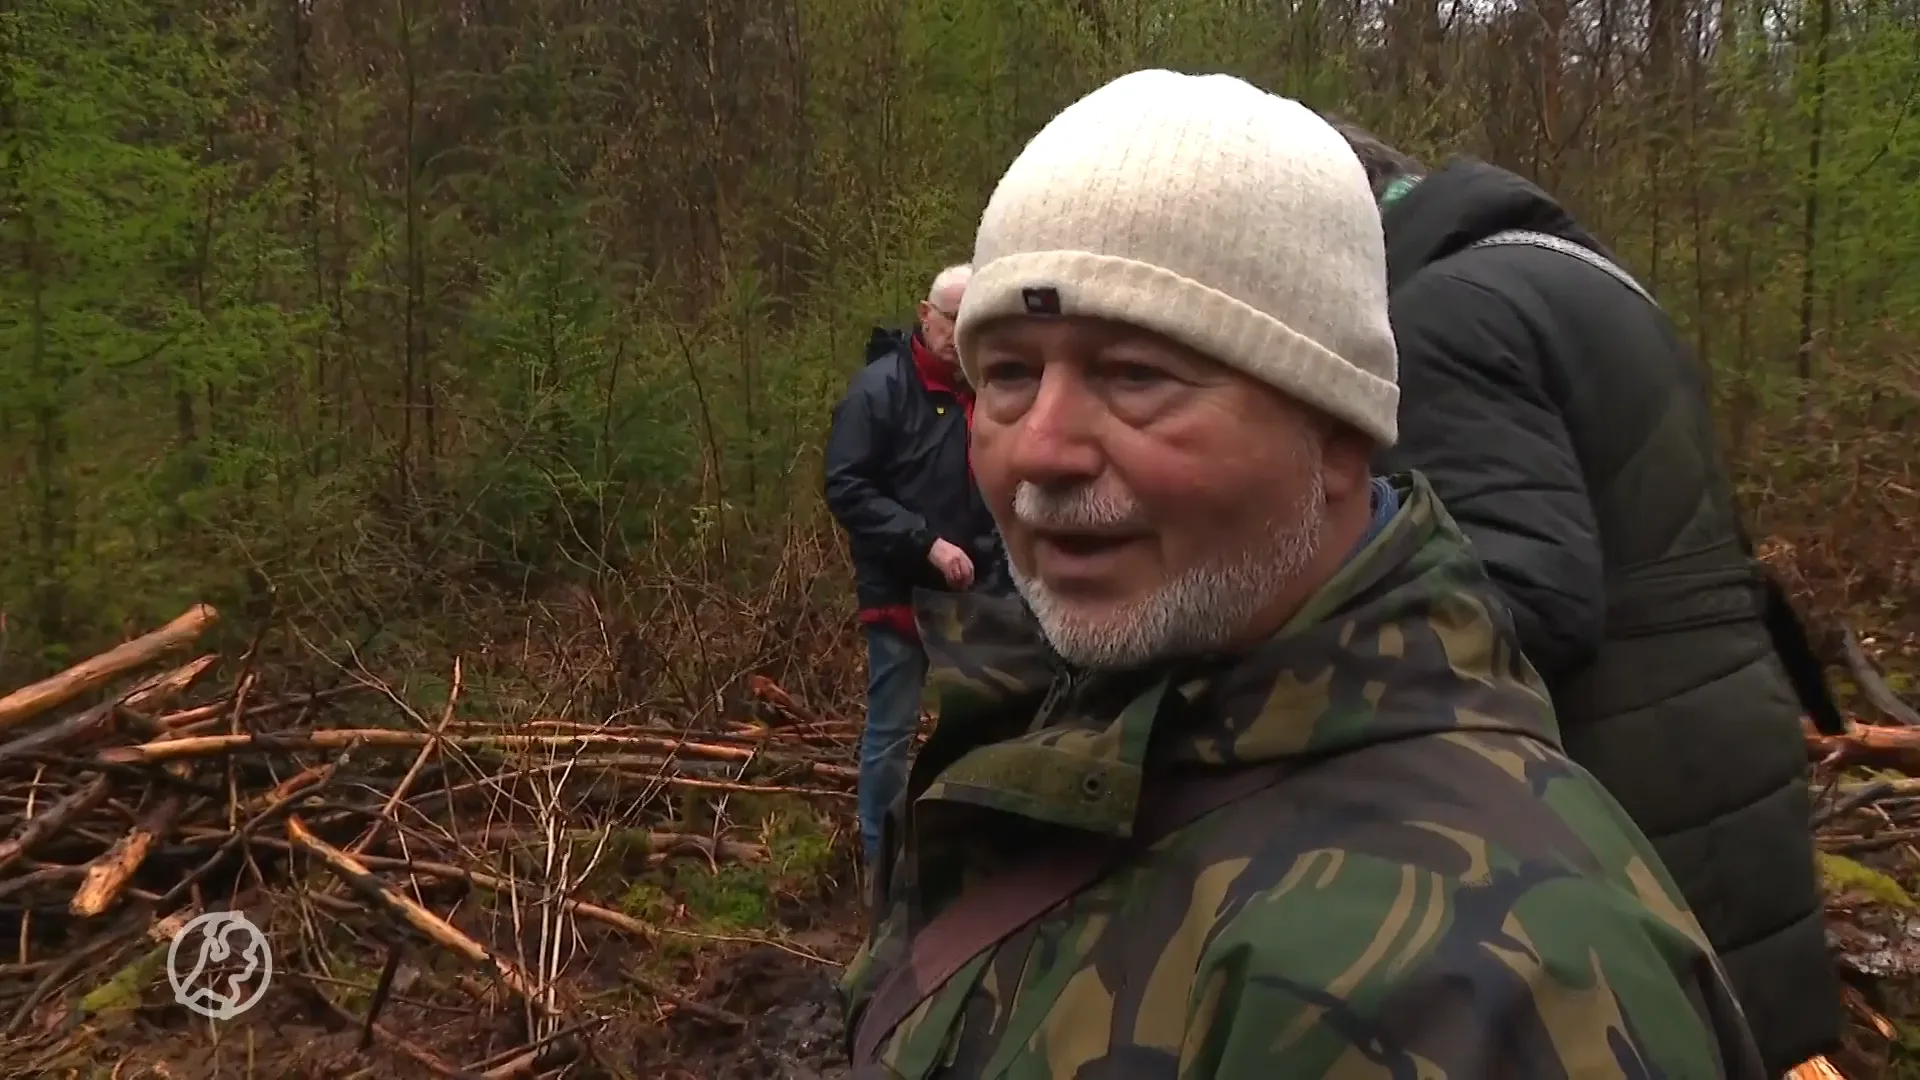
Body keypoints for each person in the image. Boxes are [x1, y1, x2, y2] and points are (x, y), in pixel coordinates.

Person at [838, 69, 1767, 1079]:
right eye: (1010, 375)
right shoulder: (1085, 733)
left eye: (1136, 374)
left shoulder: (1476, 988)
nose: (1040, 450)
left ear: (1336, 436)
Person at [1324, 121, 1845, 1077]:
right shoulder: (1572, 274)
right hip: (1719, 723)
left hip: (1626, 766)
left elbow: (1529, 592)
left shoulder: (1439, 317)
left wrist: (1314, 658)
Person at [825, 263, 1007, 868]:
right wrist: (926, 544)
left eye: (972, 321)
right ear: (925, 316)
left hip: (982, 591)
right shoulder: (879, 390)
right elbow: (847, 487)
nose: (960, 334)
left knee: (984, 722)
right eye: (953, 320)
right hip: (900, 588)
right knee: (892, 734)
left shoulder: (991, 388)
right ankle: (882, 861)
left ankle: (965, 851)